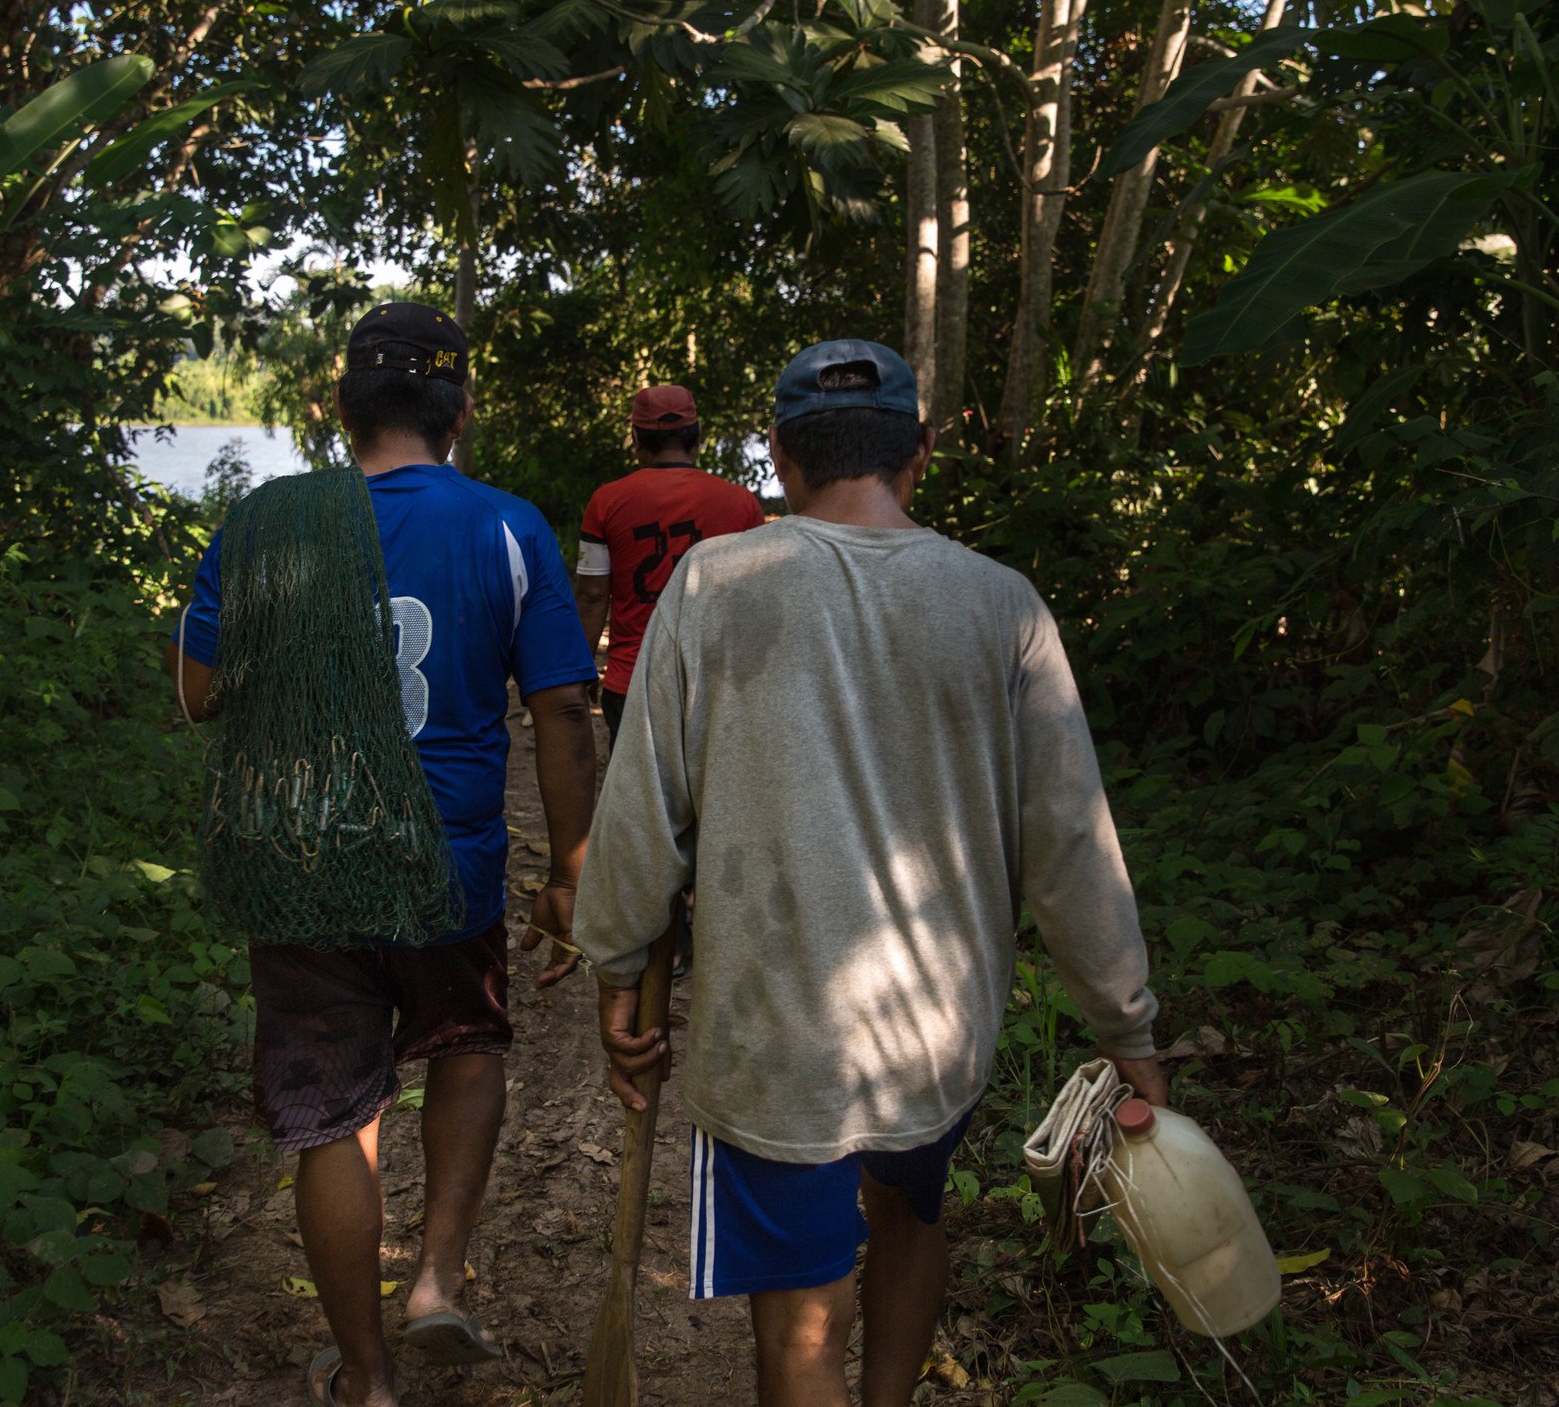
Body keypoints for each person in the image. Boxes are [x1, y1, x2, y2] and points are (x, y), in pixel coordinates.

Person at [572, 339, 1169, 1407]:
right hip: (934, 1034)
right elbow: (1070, 838)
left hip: (775, 1035)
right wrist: (1124, 1025)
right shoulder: (1000, 604)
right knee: (911, 1215)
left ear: (778, 457)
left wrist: (616, 967)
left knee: (802, 1329)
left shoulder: (715, 584)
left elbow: (640, 806)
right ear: (920, 454)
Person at [163, 302, 601, 1407]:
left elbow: (197, 695)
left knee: (335, 1118)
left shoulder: (266, 521)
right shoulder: (506, 526)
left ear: (338, 406)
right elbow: (559, 710)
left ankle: (363, 1378)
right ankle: (437, 1280)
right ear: (458, 411)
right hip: (445, 864)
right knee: (466, 1046)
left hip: (303, 865)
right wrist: (571, 866)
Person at [573, 384, 766, 736]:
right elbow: (752, 600)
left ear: (636, 438)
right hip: (714, 683)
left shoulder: (606, 502)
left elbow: (592, 596)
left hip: (633, 681)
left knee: (640, 790)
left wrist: (582, 667)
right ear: (698, 436)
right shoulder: (742, 504)